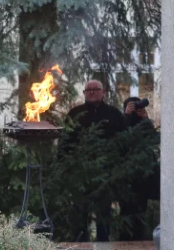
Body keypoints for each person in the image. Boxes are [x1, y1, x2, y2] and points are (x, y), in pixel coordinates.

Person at [60, 80, 126, 242]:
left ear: (103, 92)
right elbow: (65, 142)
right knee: (80, 214)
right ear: (84, 93)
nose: (92, 92)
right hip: (79, 173)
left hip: (106, 172)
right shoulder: (75, 113)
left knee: (104, 214)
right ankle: (80, 244)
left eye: (96, 89)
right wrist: (65, 166)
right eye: (88, 90)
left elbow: (123, 140)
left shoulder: (114, 114)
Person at [118, 97, 159, 241]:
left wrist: (146, 119)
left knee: (141, 212)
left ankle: (139, 241)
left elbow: (154, 140)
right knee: (126, 213)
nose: (136, 109)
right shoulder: (123, 121)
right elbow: (121, 140)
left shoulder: (143, 122)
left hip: (143, 176)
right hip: (126, 176)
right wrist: (127, 116)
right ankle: (124, 242)